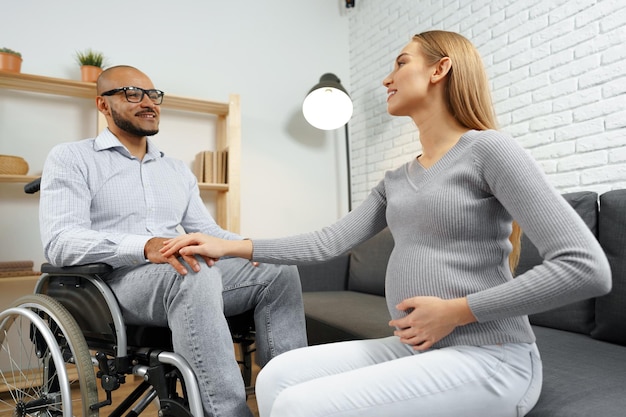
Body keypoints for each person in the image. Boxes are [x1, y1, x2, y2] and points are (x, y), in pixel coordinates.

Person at [161, 30, 612, 417]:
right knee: (278, 374)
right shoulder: (397, 178)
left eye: (400, 63)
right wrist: (232, 246)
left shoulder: (488, 150)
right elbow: (328, 241)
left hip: (493, 356)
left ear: (439, 70)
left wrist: (457, 311)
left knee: (302, 406)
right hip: (417, 347)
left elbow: (585, 266)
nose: (386, 78)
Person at [39, 65, 307, 417]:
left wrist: (248, 247)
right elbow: (61, 241)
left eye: (153, 95)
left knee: (278, 271)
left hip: (178, 274)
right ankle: (226, 413)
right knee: (191, 272)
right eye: (132, 94)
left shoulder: (176, 169)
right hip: (110, 286)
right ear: (103, 105)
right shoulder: (72, 157)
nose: (147, 102)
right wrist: (145, 245)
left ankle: (291, 402)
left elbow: (205, 231)